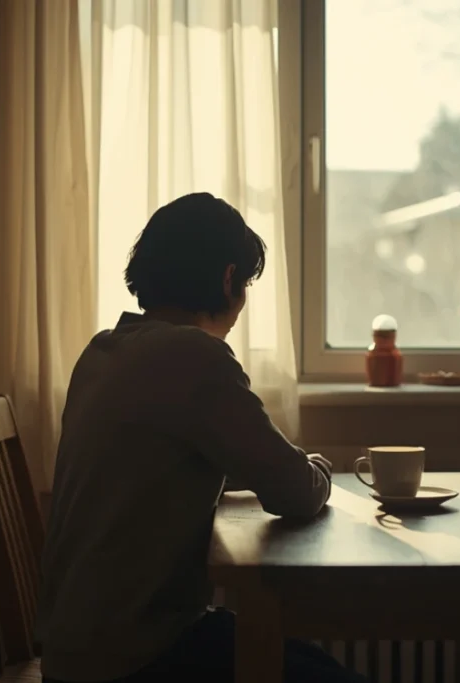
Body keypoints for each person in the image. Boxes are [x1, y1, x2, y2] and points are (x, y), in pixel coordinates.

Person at [37, 193, 366, 683]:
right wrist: (316, 467)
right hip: (136, 657)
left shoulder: (103, 351)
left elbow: (164, 462)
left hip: (75, 650)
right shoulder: (194, 356)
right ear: (228, 278)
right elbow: (294, 491)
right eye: (246, 284)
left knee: (304, 662)